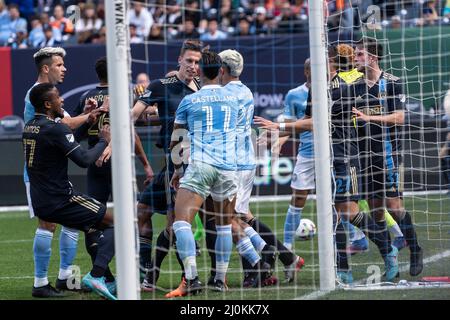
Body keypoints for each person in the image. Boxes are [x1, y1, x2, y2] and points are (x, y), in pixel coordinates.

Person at [254, 45, 399, 284]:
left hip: (345, 155)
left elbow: (314, 122)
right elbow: (310, 121)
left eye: (322, 63)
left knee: (346, 211)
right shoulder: (316, 90)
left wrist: (278, 127)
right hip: (321, 155)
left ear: (332, 63)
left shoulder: (348, 85)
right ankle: (343, 268)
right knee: (336, 212)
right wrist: (280, 132)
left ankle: (387, 250)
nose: (314, 70)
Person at [24, 83, 117, 300]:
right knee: (117, 225)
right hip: (62, 200)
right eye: (58, 97)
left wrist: (88, 120)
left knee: (92, 227)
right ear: (48, 104)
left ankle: (109, 282)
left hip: (41, 201)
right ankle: (97, 275)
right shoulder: (55, 129)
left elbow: (66, 140)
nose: (62, 100)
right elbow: (84, 160)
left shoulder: (31, 126)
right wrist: (104, 140)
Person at [219, 49, 304, 286]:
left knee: (229, 217)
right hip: (246, 159)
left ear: (222, 69)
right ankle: (282, 259)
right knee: (242, 215)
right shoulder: (245, 90)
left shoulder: (223, 93)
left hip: (233, 161)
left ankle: (262, 261)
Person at [132, 39, 204, 296]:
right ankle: (146, 272)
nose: (193, 66)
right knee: (144, 210)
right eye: (189, 61)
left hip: (191, 163)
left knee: (178, 223)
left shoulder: (203, 90)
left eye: (197, 62)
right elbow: (134, 115)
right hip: (172, 162)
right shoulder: (162, 85)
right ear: (179, 60)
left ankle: (183, 277)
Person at [169, 50, 240, 294]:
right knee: (223, 225)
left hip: (201, 165)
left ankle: (191, 279)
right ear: (221, 71)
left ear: (199, 71)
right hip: (228, 168)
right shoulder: (233, 99)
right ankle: (220, 280)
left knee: (181, 223)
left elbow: (177, 139)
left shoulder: (189, 100)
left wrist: (178, 170)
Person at [352, 37, 423, 276]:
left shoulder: (392, 82)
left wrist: (369, 118)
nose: (355, 58)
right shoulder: (354, 83)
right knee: (375, 211)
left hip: (388, 154)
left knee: (393, 206)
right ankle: (390, 262)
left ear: (372, 57)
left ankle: (415, 249)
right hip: (364, 156)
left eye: (359, 54)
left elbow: (399, 118)